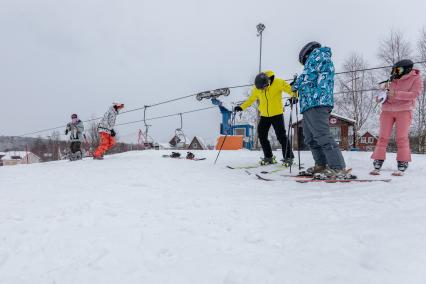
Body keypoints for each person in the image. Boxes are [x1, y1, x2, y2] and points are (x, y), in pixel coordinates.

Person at [292, 41, 352, 179]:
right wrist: (296, 86)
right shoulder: (311, 64)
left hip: (318, 102)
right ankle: (321, 164)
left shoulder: (320, 57)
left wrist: (298, 84)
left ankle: (338, 168)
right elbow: (306, 79)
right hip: (307, 104)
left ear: (306, 55)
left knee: (322, 135)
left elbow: (312, 78)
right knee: (310, 137)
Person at [371, 59, 423, 176]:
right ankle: (378, 160)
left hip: (404, 111)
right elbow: (382, 95)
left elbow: (415, 94)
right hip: (387, 111)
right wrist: (381, 95)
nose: (395, 72)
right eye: (394, 69)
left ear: (407, 69)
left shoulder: (416, 79)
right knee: (383, 137)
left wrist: (396, 94)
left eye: (398, 69)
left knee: (401, 137)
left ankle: (402, 161)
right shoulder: (391, 79)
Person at [234, 70, 296, 166]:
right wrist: (241, 107)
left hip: (277, 114)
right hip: (264, 115)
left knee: (281, 136)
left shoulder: (278, 82)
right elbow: (251, 99)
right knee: (262, 135)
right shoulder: (257, 88)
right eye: (260, 89)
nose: (262, 90)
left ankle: (288, 157)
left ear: (268, 82)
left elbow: (291, 89)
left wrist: (294, 96)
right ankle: (269, 157)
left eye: (263, 88)